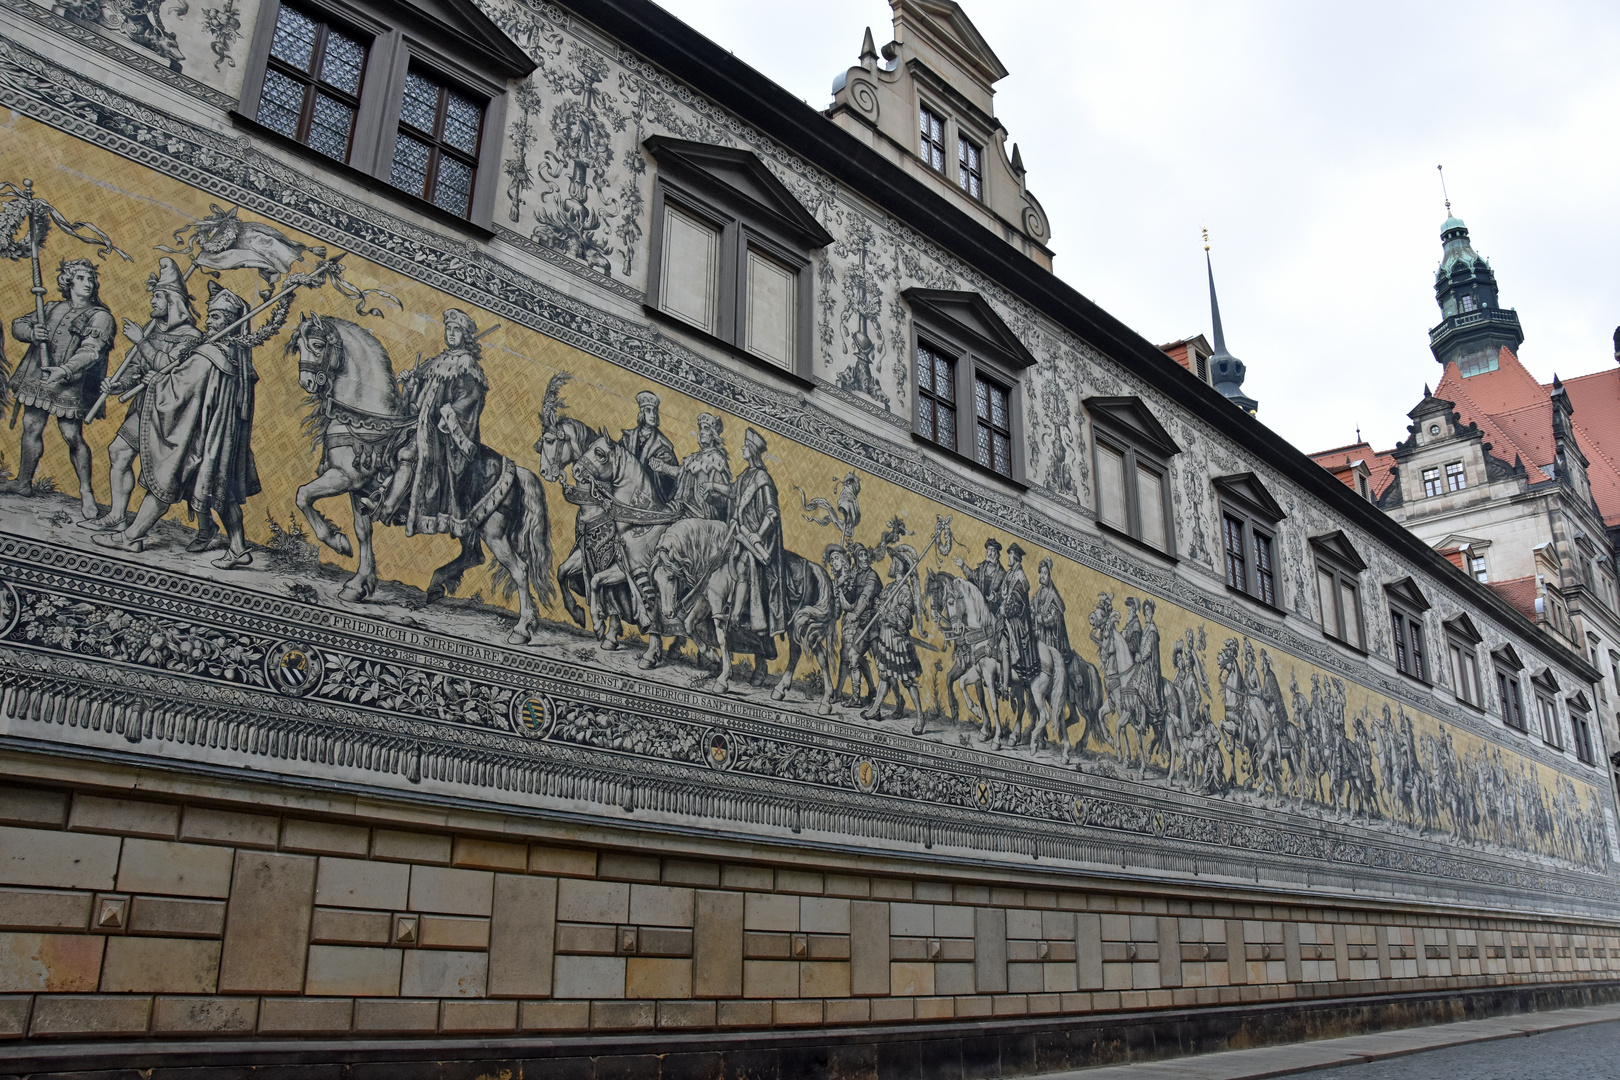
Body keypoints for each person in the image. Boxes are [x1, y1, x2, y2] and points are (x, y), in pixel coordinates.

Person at [91, 281, 260, 565]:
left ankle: (131, 537)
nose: (209, 321)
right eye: (209, 315)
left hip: (195, 433)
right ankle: (236, 546)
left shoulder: (210, 356)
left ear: (231, 322)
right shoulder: (226, 354)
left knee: (167, 479)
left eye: (216, 317)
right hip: (206, 434)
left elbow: (179, 390)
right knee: (220, 491)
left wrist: (155, 379)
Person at [82, 257, 202, 535]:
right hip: (143, 406)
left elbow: (169, 366)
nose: (153, 303)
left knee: (160, 474)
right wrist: (118, 385)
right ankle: (117, 515)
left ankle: (136, 531)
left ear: (173, 301)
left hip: (170, 416)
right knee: (119, 452)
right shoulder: (152, 331)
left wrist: (141, 342)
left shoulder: (192, 336)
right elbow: (135, 368)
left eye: (158, 297)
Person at [1, 258, 114, 518]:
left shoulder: (100, 316)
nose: (89, 283)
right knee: (31, 426)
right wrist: (32, 332)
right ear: (68, 281)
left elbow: (92, 351)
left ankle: (86, 492)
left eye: (91, 278)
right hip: (38, 377)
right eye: (83, 278)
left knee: (71, 436)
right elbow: (18, 323)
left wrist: (65, 370)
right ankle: (23, 482)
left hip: (70, 384)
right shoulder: (51, 307)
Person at [374, 309, 486, 536]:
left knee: (408, 454)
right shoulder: (437, 361)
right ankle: (382, 489)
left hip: (442, 431)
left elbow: (470, 399)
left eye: (457, 331)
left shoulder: (467, 365)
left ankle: (386, 508)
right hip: (420, 422)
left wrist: (448, 416)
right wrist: (411, 385)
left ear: (466, 336)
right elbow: (418, 400)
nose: (452, 334)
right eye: (449, 329)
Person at [727, 428, 785, 637]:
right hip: (740, 534)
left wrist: (759, 534)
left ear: (751, 450)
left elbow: (772, 512)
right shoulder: (745, 476)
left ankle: (736, 618)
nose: (742, 448)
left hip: (757, 541)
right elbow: (732, 491)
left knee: (742, 567)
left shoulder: (762, 477)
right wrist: (712, 485)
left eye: (745, 446)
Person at [862, 545, 925, 733]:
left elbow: (904, 622)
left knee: (907, 681)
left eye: (895, 562)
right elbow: (879, 604)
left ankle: (920, 718)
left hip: (898, 641)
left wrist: (887, 614)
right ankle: (876, 709)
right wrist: (879, 606)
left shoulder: (904, 591)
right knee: (883, 675)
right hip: (885, 637)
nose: (891, 564)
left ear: (900, 566)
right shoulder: (890, 587)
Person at [833, 541, 880, 705]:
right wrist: (843, 586)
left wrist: (856, 613)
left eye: (865, 554)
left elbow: (866, 597)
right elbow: (852, 599)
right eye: (860, 555)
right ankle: (855, 698)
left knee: (882, 665)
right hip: (862, 625)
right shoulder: (857, 575)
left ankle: (895, 699)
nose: (863, 558)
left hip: (875, 625)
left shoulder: (872, 575)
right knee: (853, 657)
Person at [994, 542, 1039, 695]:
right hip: (1006, 615)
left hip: (1017, 621)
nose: (1008, 558)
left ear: (1016, 557)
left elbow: (1017, 599)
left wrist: (1005, 609)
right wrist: (997, 597)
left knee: (1004, 643)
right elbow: (1004, 593)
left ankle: (1005, 685)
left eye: (1010, 555)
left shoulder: (1020, 577)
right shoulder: (1010, 573)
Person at [621, 390, 680, 506]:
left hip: (650, 497)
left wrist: (660, 468)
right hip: (624, 490)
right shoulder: (627, 438)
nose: (652, 415)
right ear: (642, 413)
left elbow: (671, 480)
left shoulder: (663, 445)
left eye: (654, 411)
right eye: (648, 411)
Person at [671, 412, 730, 520]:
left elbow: (723, 500)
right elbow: (681, 472)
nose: (702, 432)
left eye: (706, 429)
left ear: (713, 435)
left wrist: (710, 494)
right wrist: (663, 467)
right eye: (701, 428)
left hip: (701, 513)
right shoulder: (694, 457)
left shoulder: (716, 460)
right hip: (682, 507)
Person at [954, 537, 1005, 612]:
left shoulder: (1002, 573)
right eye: (988, 550)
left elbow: (1005, 593)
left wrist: (995, 596)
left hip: (993, 611)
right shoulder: (982, 568)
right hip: (979, 607)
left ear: (997, 554)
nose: (990, 553)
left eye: (993, 550)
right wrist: (963, 565)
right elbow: (972, 576)